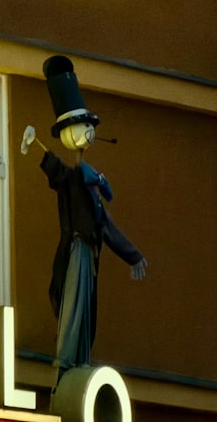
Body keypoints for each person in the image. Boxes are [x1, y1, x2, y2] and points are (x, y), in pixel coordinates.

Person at [21, 56, 146, 375]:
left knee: (84, 307)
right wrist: (37, 147)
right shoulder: (77, 179)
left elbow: (105, 225)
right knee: (74, 303)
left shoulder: (88, 182)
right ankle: (67, 358)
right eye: (82, 129)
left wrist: (132, 255)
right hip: (77, 250)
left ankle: (76, 360)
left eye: (87, 128)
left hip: (88, 253)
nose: (86, 135)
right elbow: (59, 171)